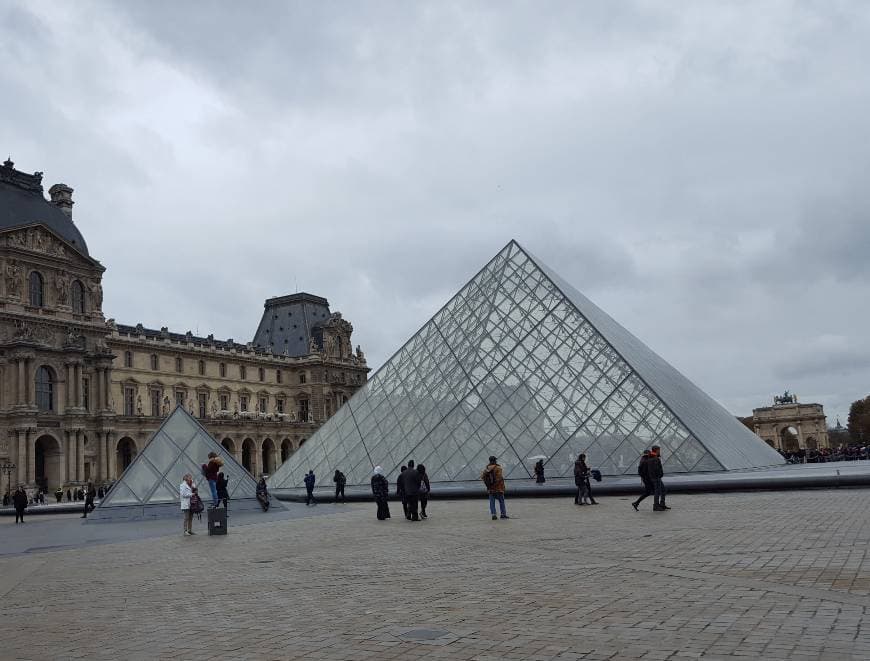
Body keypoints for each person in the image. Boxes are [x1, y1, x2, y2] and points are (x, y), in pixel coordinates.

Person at [481, 456, 508, 520]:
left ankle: (493, 514)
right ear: (495, 460)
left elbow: (482, 477)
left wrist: (489, 484)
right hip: (499, 488)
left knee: (492, 502)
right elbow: (499, 477)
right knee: (501, 501)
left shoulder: (487, 468)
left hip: (490, 488)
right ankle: (503, 514)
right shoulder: (498, 468)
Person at [649, 445, 670, 511]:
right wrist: (660, 475)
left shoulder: (651, 457)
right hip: (656, 477)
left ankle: (662, 504)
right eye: (659, 450)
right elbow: (656, 469)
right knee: (658, 492)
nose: (659, 451)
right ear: (657, 450)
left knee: (662, 490)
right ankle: (656, 506)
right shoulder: (655, 458)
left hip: (654, 477)